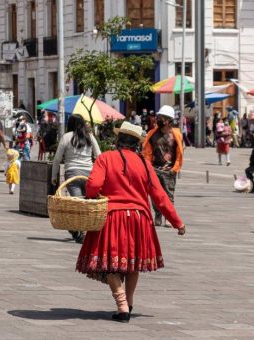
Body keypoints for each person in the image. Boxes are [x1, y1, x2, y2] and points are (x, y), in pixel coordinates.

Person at [76, 121, 186, 323]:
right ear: (137, 144)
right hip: (139, 219)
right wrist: (177, 222)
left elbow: (92, 187)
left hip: (112, 217)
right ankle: (129, 301)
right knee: (132, 263)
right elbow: (160, 196)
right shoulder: (144, 163)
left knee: (110, 264)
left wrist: (95, 195)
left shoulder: (106, 158)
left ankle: (122, 306)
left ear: (118, 140)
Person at [52, 114, 101, 243]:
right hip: (89, 175)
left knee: (77, 202)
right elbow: (99, 156)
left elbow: (57, 159)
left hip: (71, 174)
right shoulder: (90, 137)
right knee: (86, 203)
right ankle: (79, 230)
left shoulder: (66, 137)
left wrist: (53, 176)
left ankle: (79, 231)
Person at [143, 105, 183, 227]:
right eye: (158, 117)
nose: (158, 119)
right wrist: (148, 167)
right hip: (154, 169)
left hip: (169, 170)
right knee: (155, 195)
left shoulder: (176, 134)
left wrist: (175, 168)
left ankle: (168, 218)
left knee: (169, 195)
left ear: (169, 120)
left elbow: (179, 153)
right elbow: (147, 152)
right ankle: (158, 215)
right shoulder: (152, 134)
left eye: (161, 117)